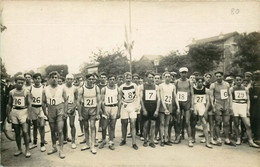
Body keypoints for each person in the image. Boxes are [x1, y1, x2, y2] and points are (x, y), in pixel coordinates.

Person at [43, 71, 68, 159]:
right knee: (52, 130)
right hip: (50, 110)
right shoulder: (45, 88)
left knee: (60, 130)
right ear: (49, 79)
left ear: (58, 78)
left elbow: (65, 101)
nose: (54, 79)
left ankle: (61, 150)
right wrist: (44, 112)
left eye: (56, 77)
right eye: (52, 77)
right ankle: (54, 147)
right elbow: (43, 101)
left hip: (60, 109)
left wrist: (65, 112)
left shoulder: (62, 88)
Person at [231, 75, 259, 148]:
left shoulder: (246, 89)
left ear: (242, 80)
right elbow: (230, 99)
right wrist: (231, 108)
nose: (238, 81)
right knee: (236, 124)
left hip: (243, 105)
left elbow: (248, 100)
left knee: (248, 125)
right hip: (235, 105)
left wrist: (247, 110)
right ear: (235, 80)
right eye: (237, 80)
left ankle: (250, 140)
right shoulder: (232, 89)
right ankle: (238, 138)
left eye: (240, 80)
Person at [6, 75, 31, 158]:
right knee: (17, 132)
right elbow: (9, 104)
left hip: (24, 111)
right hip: (15, 111)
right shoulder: (12, 92)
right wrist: (8, 115)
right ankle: (19, 149)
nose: (20, 84)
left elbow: (30, 104)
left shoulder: (26, 91)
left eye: (22, 83)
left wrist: (29, 115)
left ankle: (27, 150)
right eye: (19, 82)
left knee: (25, 131)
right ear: (15, 82)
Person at [209, 71, 235, 146]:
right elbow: (211, 96)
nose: (218, 78)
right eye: (217, 76)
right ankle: (218, 138)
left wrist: (230, 106)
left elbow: (230, 95)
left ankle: (227, 139)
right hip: (218, 104)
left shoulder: (226, 84)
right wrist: (213, 106)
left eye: (220, 76)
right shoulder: (213, 85)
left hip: (225, 104)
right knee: (217, 122)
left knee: (226, 122)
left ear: (222, 76)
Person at [78, 74, 101, 154]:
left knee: (92, 126)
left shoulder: (96, 88)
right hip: (85, 109)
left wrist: (98, 113)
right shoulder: (82, 89)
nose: (91, 81)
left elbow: (99, 102)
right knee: (86, 127)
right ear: (86, 80)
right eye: (90, 79)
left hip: (93, 109)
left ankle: (93, 145)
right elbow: (79, 102)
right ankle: (87, 143)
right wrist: (80, 115)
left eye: (92, 79)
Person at [99, 74, 120, 150]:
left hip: (114, 107)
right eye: (110, 79)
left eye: (113, 79)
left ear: (115, 80)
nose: (112, 81)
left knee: (112, 126)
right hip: (106, 107)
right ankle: (103, 140)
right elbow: (101, 101)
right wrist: (103, 110)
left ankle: (111, 142)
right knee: (104, 126)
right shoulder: (104, 89)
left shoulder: (117, 89)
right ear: (108, 80)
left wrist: (119, 111)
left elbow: (120, 101)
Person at [118, 72, 139, 150]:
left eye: (129, 76)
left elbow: (137, 96)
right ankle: (124, 139)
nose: (128, 78)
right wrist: (123, 104)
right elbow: (120, 98)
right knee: (124, 123)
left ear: (131, 78)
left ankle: (134, 143)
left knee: (133, 123)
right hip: (125, 106)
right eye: (126, 76)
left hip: (132, 105)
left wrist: (137, 106)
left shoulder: (134, 85)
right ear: (124, 78)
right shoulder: (121, 87)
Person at [191, 76, 212, 148]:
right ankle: (193, 138)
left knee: (204, 123)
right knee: (193, 123)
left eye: (201, 82)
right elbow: (192, 100)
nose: (200, 83)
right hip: (195, 106)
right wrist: (193, 108)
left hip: (202, 107)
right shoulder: (193, 89)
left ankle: (207, 141)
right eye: (198, 82)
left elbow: (208, 101)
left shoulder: (206, 90)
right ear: (196, 82)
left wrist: (206, 111)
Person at [159, 72, 180, 146]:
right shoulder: (161, 86)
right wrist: (165, 108)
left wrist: (178, 107)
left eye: (169, 76)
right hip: (163, 105)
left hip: (170, 105)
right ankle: (162, 139)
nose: (167, 78)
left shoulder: (173, 86)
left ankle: (166, 140)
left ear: (171, 77)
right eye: (166, 76)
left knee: (167, 123)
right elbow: (161, 97)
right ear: (164, 77)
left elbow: (175, 96)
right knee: (162, 123)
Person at [175, 67, 194, 147]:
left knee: (187, 122)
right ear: (180, 73)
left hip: (187, 103)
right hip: (179, 103)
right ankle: (178, 137)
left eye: (185, 73)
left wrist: (192, 106)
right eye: (182, 73)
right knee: (178, 121)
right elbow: (175, 94)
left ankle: (190, 139)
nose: (184, 74)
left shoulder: (189, 82)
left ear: (187, 73)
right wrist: (176, 106)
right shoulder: (177, 82)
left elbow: (192, 94)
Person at [140, 71, 160, 148]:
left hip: (153, 107)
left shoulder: (156, 87)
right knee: (145, 125)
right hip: (146, 106)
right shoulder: (142, 86)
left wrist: (157, 110)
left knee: (153, 124)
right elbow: (141, 99)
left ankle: (151, 141)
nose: (151, 79)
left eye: (152, 77)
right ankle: (145, 140)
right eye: (149, 77)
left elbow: (158, 99)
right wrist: (144, 109)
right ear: (146, 77)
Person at [28, 73, 46, 152]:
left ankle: (42, 143)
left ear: (41, 79)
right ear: (33, 79)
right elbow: (29, 100)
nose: (37, 80)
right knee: (35, 126)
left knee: (42, 126)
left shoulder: (44, 87)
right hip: (33, 108)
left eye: (39, 78)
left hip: (41, 108)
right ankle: (35, 142)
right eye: (36, 79)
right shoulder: (30, 88)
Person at [63, 74, 78, 149]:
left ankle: (73, 141)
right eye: (68, 79)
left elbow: (76, 99)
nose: (69, 80)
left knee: (72, 124)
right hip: (63, 106)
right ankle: (65, 138)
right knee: (63, 123)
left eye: (71, 79)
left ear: (73, 80)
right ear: (66, 79)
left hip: (71, 105)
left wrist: (74, 107)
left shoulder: (75, 88)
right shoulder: (62, 87)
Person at [97, 72, 108, 142]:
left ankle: (110, 133)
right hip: (101, 105)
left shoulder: (108, 85)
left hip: (108, 104)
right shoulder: (98, 86)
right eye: (102, 77)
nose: (103, 78)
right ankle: (102, 135)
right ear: (100, 78)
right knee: (102, 118)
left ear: (106, 78)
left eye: (104, 77)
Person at [132, 74, 142, 139]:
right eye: (134, 78)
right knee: (133, 119)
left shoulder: (140, 87)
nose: (135, 80)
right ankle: (134, 132)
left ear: (138, 79)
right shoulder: (131, 86)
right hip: (132, 104)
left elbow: (140, 97)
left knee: (140, 119)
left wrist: (139, 105)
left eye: (137, 78)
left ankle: (141, 133)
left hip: (139, 104)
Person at [24, 73, 33, 143]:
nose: (27, 78)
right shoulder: (23, 86)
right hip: (26, 106)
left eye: (29, 77)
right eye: (26, 77)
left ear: (31, 78)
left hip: (34, 105)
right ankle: (28, 137)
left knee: (37, 123)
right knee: (27, 122)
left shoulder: (33, 86)